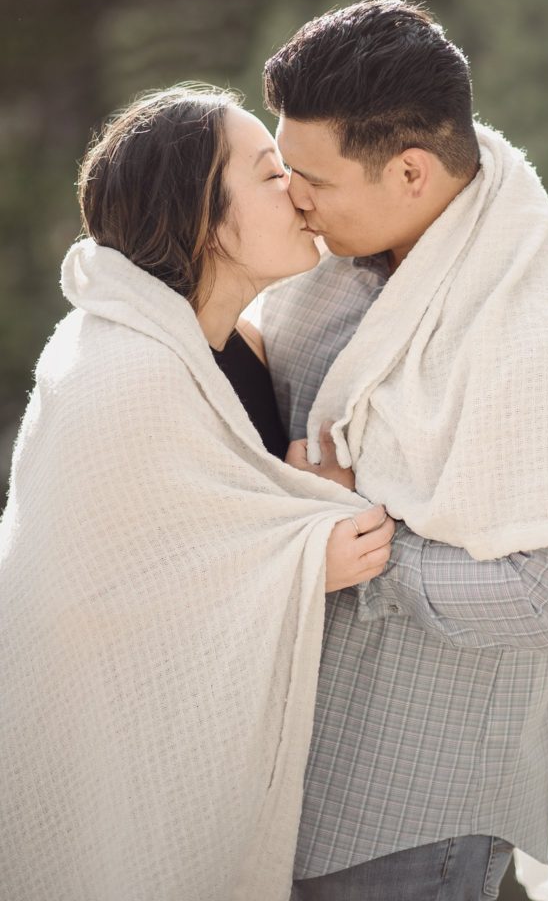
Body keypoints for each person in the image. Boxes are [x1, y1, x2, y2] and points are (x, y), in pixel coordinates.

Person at [260, 0, 548, 901]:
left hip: (413, 809)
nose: (294, 198)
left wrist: (358, 546)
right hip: (286, 770)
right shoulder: (339, 263)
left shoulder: (540, 332)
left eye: (312, 178)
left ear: (409, 171)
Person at [0, 83, 395, 901]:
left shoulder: (236, 346)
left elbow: (215, 519)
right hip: (106, 763)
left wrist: (298, 509)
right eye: (267, 173)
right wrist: (301, 559)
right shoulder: (118, 372)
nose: (296, 189)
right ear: (204, 217)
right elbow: (81, 602)